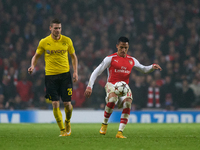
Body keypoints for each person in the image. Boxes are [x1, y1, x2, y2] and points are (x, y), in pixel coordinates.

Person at [84, 37, 162, 138]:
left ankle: (120, 132)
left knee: (128, 103)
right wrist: (90, 86)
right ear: (117, 46)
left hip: (124, 87)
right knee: (112, 99)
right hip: (111, 84)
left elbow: (143, 69)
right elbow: (96, 71)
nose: (123, 50)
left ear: (128, 47)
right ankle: (104, 124)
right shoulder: (110, 58)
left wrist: (152, 67)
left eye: (125, 47)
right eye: (121, 47)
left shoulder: (131, 60)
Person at [28, 18, 78, 136]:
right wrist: (32, 66)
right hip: (50, 76)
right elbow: (36, 56)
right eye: (55, 28)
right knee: (55, 103)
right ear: (50, 28)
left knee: (67, 104)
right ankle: (62, 130)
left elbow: (73, 56)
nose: (58, 30)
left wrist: (75, 72)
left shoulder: (67, 41)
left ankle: (67, 121)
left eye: (59, 28)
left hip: (65, 75)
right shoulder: (44, 42)